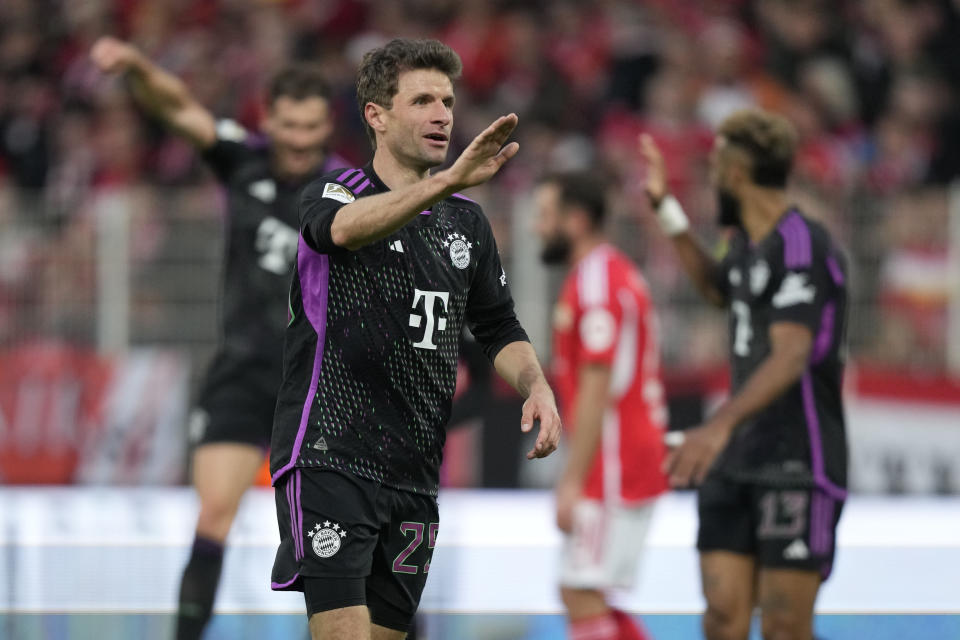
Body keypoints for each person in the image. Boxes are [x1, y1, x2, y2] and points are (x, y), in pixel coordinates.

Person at [269, 38, 562, 640]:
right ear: (376, 115)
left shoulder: (467, 224)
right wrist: (448, 180)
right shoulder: (337, 191)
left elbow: (498, 324)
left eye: (448, 101)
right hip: (330, 456)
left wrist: (536, 383)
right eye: (422, 99)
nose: (442, 115)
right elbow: (341, 232)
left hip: (415, 473)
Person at [90, 37, 346, 640]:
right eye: (290, 126)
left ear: (327, 124)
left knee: (344, 533)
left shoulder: (348, 189)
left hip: (317, 382)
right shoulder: (243, 159)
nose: (301, 140)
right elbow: (177, 106)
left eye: (312, 127)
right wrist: (136, 66)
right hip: (241, 371)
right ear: (269, 118)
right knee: (213, 517)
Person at [640, 108, 849, 640]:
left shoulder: (803, 244)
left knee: (783, 626)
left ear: (735, 174)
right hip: (736, 461)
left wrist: (717, 426)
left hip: (797, 459)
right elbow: (718, 289)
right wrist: (667, 211)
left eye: (713, 168)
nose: (710, 180)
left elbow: (791, 354)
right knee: (722, 619)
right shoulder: (743, 242)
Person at [534, 172, 669, 640]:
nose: (537, 228)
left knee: (580, 590)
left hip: (614, 462)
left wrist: (572, 480)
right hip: (627, 454)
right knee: (586, 593)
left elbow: (597, 387)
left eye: (546, 216)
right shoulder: (616, 273)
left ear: (576, 220)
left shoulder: (595, 284)